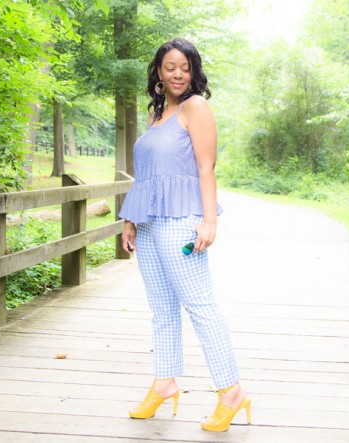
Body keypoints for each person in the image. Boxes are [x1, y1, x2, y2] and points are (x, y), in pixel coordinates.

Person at [118, 38, 250, 432]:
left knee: (200, 306)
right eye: (170, 66)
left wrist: (210, 222)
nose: (177, 74)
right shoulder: (156, 114)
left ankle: (232, 392)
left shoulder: (196, 107)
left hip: (182, 222)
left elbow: (206, 168)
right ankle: (165, 382)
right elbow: (145, 175)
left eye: (185, 67)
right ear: (158, 71)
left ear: (194, 72)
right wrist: (130, 217)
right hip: (149, 221)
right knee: (161, 308)